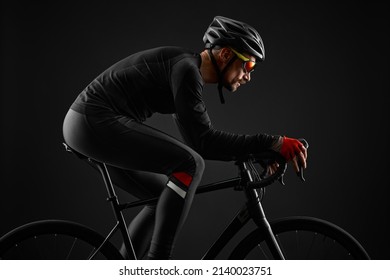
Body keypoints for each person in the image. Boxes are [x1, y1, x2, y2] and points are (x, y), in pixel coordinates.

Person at [62, 15, 307, 260]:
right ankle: (159, 263)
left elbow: (198, 140)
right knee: (191, 164)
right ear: (225, 55)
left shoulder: (186, 71)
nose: (248, 76)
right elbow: (204, 142)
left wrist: (259, 151)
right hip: (91, 121)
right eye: (249, 66)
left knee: (160, 195)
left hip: (86, 123)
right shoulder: (186, 70)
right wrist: (270, 142)